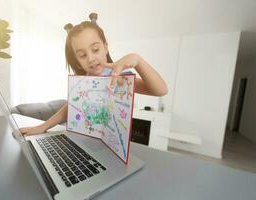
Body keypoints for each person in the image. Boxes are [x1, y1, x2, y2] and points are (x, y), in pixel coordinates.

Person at [20, 13, 168, 136]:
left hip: (112, 148)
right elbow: (70, 107)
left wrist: (138, 60)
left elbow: (160, 90)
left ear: (105, 47)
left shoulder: (120, 77)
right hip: (83, 142)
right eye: (83, 55)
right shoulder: (83, 81)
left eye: (95, 49)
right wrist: (43, 126)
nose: (91, 58)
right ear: (77, 60)